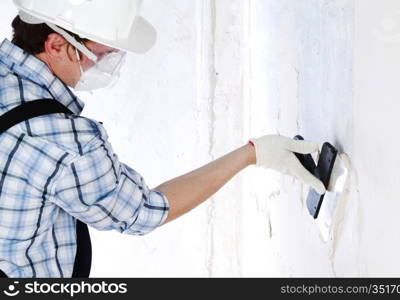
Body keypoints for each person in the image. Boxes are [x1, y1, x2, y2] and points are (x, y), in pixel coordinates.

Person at [0, 0, 325, 278]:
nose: (105, 64)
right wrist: (253, 153)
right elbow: (144, 212)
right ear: (56, 45)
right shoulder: (64, 143)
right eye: (100, 54)